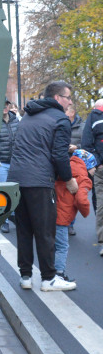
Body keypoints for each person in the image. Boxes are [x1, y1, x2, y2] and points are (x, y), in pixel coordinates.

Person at [7, 80, 78, 291]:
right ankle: (49, 278)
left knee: (24, 229)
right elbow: (57, 154)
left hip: (17, 178)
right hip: (39, 180)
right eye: (68, 98)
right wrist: (69, 179)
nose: (70, 102)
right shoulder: (60, 120)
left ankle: (26, 276)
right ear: (58, 98)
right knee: (46, 230)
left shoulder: (28, 115)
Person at [54, 149, 96, 282]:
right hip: (62, 217)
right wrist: (86, 212)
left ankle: (48, 271)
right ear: (88, 164)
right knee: (62, 247)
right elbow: (81, 200)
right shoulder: (84, 179)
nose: (94, 170)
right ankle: (59, 274)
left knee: (50, 245)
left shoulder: (64, 169)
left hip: (50, 211)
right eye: (94, 167)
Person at [0, 99, 19, 232]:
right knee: (2, 192)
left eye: (7, 104)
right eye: (2, 105)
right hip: (1, 163)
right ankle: (4, 221)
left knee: (15, 191)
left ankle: (13, 216)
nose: (5, 107)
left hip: (16, 162)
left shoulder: (16, 121)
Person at [81, 98, 103, 256]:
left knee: (101, 204)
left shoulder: (92, 119)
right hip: (100, 168)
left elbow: (86, 144)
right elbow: (87, 144)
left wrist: (96, 163)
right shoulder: (94, 119)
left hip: (100, 168)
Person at [65, 103, 85, 235]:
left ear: (72, 113)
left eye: (66, 110)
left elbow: (86, 143)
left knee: (73, 194)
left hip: (76, 163)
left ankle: (70, 223)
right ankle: (62, 222)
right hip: (62, 162)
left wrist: (76, 147)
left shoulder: (82, 127)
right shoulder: (60, 123)